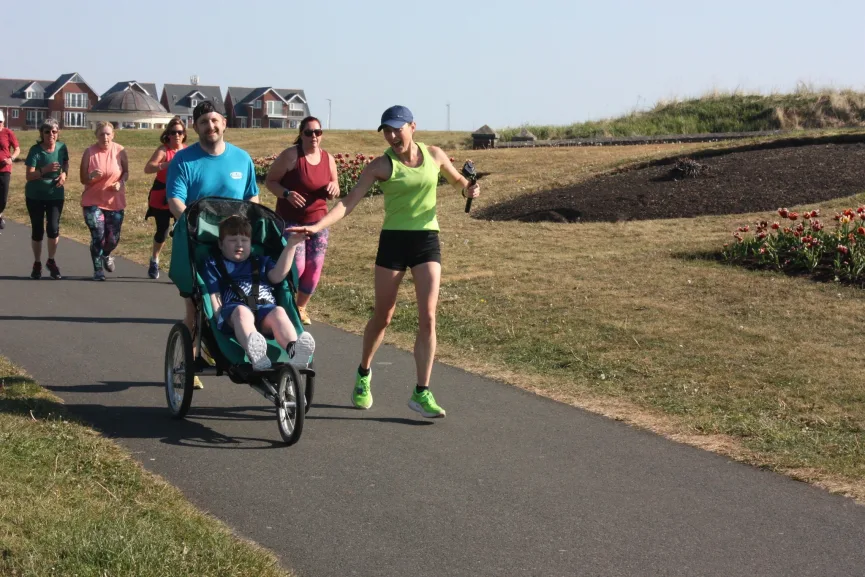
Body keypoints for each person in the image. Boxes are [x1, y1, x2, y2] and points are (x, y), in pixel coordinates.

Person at [287, 105, 480, 418]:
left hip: (426, 241)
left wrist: (470, 189)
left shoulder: (434, 154)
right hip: (393, 242)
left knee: (428, 316)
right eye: (386, 130)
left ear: (412, 127)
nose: (392, 136)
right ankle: (363, 373)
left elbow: (460, 183)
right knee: (384, 316)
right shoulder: (380, 166)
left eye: (396, 129)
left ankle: (422, 392)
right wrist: (316, 226)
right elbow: (347, 203)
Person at [167, 101, 261, 389]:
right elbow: (175, 201)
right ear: (195, 127)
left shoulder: (241, 159)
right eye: (204, 122)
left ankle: (252, 346)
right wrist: (197, 227)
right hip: (198, 245)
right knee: (196, 310)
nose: (211, 126)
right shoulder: (183, 161)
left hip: (236, 246)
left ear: (224, 123)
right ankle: (189, 361)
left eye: (215, 120)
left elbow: (252, 198)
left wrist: (251, 229)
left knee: (251, 296)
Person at [203, 215, 315, 371]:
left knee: (279, 311)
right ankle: (257, 355)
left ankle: (295, 351)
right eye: (233, 240)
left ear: (251, 243)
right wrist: (217, 320)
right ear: (221, 244)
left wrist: (291, 245)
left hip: (264, 309)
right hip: (233, 312)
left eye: (244, 240)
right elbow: (214, 295)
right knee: (242, 312)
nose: (239, 245)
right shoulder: (214, 264)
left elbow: (277, 276)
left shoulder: (260, 262)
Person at [264, 116, 339, 325]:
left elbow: (335, 185)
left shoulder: (328, 159)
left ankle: (300, 307)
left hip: (318, 223)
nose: (314, 136)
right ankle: (284, 304)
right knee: (296, 267)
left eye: (318, 132)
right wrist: (286, 193)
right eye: (309, 132)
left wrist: (334, 187)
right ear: (301, 134)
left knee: (314, 266)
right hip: (291, 222)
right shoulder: (291, 156)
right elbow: (271, 181)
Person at [79, 121, 128, 281]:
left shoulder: (120, 150)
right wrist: (91, 176)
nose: (105, 137)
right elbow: (82, 179)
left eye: (108, 134)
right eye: (101, 134)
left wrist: (120, 183)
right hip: (92, 201)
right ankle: (98, 269)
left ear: (113, 135)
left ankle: (106, 254)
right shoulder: (89, 152)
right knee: (98, 234)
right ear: (96, 136)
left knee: (113, 239)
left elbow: (126, 173)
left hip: (115, 201)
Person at [24, 117, 68, 280]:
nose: (51, 134)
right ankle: (37, 263)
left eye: (54, 131)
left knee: (53, 228)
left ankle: (51, 260)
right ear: (42, 133)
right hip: (35, 195)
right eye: (47, 131)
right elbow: (29, 176)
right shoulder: (35, 150)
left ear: (58, 133)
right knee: (37, 230)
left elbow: (65, 164)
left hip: (55, 194)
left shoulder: (62, 147)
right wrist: (45, 170)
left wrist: (64, 174)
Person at [144, 116, 187, 279]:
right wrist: (166, 164)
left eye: (180, 132)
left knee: (181, 233)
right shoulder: (163, 150)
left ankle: (179, 266)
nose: (176, 135)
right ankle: (154, 259)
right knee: (162, 231)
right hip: (162, 195)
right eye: (173, 132)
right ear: (168, 134)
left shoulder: (187, 151)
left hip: (181, 196)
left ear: (184, 134)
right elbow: (148, 168)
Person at [0, 110, 21, 230]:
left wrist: (11, 158)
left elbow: (17, 149)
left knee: (3, 198)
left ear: (3, 121)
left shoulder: (8, 133)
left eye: (0, 122)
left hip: (5, 169)